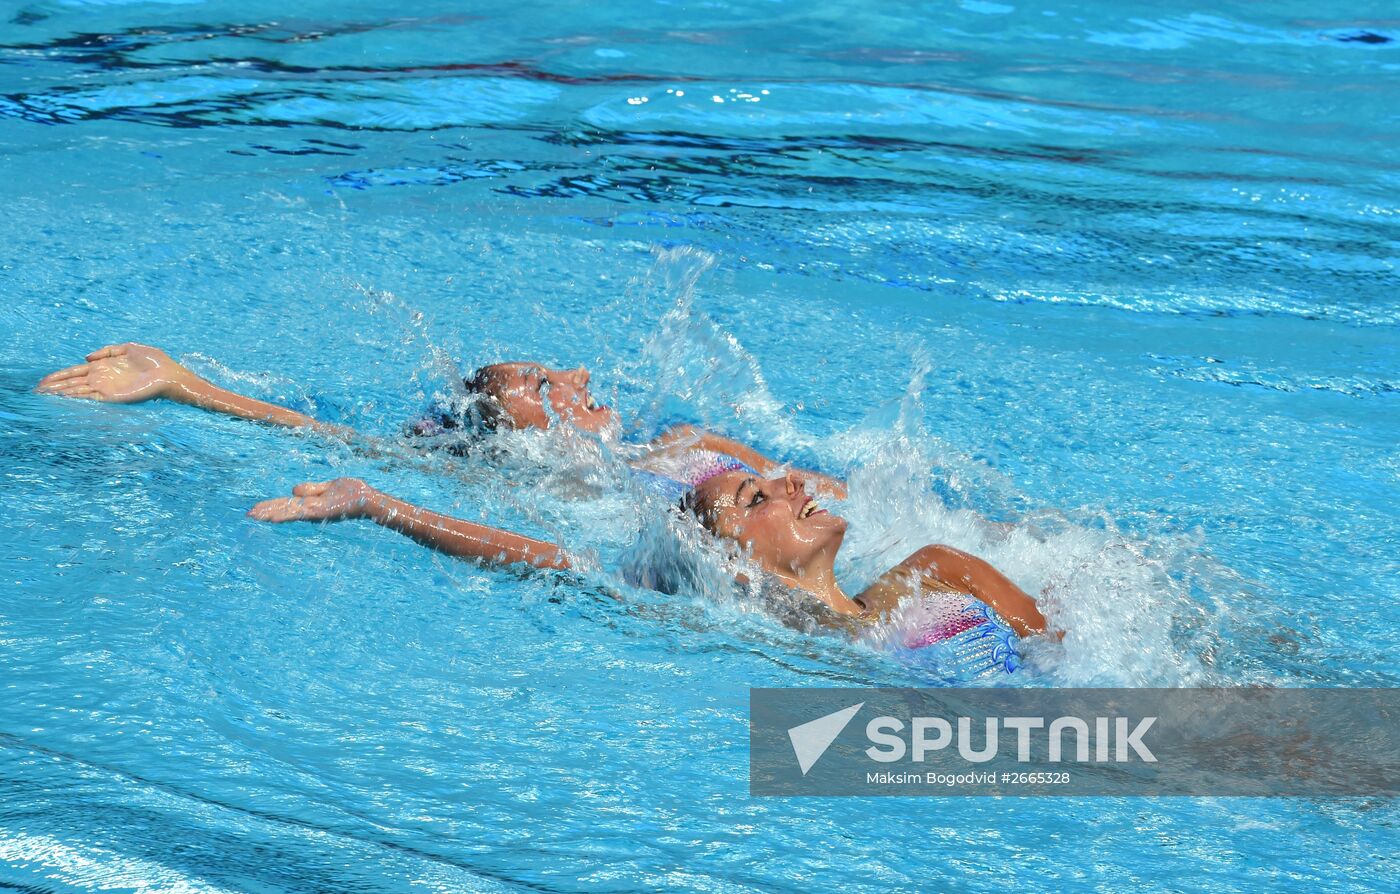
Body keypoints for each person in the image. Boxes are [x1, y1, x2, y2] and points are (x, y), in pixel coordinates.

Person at [245, 468, 1051, 676]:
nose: (793, 485)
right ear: (729, 559)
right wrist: (381, 506)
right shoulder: (745, 627)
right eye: (754, 496)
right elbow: (552, 562)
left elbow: (1076, 660)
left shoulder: (939, 572)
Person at [34, 342, 846, 498]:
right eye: (540, 382)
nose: (576, 377)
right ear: (513, 436)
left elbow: (849, 502)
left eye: (556, 366)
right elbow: (323, 436)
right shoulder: (504, 484)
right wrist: (182, 383)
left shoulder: (690, 446)